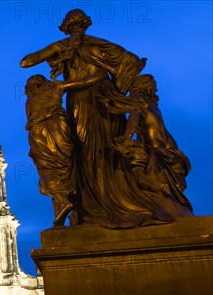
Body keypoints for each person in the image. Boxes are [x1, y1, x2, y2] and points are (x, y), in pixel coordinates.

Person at [21, 9, 170, 228]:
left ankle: (97, 207)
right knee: (99, 150)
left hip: (85, 101)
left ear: (66, 27)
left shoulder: (65, 46)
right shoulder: (102, 45)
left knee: (87, 151)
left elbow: (25, 62)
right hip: (104, 101)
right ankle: (102, 204)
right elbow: (130, 62)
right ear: (85, 25)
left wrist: (55, 53)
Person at [25, 72, 106, 225]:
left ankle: (63, 203)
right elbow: (83, 81)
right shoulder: (55, 87)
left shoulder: (30, 99)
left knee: (48, 171)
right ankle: (68, 207)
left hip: (39, 136)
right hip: (58, 130)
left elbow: (31, 119)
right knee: (66, 168)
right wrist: (101, 75)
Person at [115, 74, 193, 217]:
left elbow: (135, 117)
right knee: (173, 185)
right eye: (153, 85)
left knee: (149, 174)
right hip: (171, 148)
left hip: (156, 145)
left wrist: (126, 137)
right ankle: (173, 206)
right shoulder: (153, 105)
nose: (155, 89)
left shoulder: (138, 97)